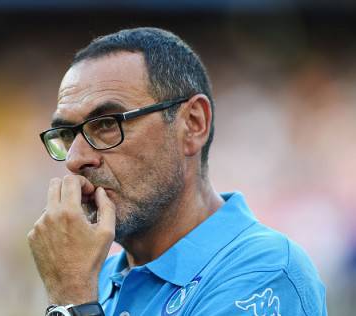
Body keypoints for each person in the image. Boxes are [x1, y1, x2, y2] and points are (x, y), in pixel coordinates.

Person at [28, 27, 327, 316]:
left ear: (193, 124)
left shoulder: (263, 274)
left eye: (107, 124)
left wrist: (73, 303)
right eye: (67, 134)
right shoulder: (98, 277)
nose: (74, 159)